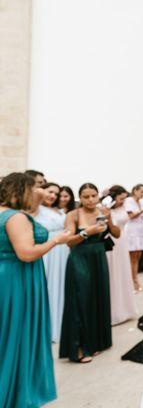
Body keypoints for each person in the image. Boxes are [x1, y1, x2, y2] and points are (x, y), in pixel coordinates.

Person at [0, 173, 74, 407]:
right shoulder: (16, 217)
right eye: (35, 188)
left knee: (7, 334)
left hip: (9, 275)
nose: (39, 192)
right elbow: (26, 253)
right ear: (23, 189)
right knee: (16, 333)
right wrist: (56, 241)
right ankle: (13, 394)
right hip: (18, 279)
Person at [60, 183, 120, 363]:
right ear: (80, 197)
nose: (91, 200)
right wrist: (88, 232)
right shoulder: (73, 215)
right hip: (79, 258)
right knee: (80, 300)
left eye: (94, 195)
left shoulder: (103, 211)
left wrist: (108, 220)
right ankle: (79, 347)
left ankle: (97, 342)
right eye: (86, 196)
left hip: (99, 258)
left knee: (98, 297)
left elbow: (117, 234)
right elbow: (69, 242)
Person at [35, 182, 70, 343]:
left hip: (63, 251)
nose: (53, 196)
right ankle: (47, 328)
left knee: (62, 286)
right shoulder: (36, 208)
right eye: (50, 192)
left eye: (56, 194)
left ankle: (61, 325)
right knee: (49, 287)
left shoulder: (58, 210)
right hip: (48, 251)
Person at [104, 185, 137, 325]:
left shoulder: (125, 207)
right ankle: (111, 311)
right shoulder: (106, 206)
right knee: (111, 273)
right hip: (109, 241)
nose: (123, 200)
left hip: (121, 241)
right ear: (114, 196)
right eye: (120, 198)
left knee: (122, 273)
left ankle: (125, 309)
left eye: (124, 198)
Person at [124, 184, 143, 291]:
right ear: (135, 190)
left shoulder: (141, 202)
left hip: (140, 231)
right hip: (132, 231)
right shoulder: (129, 201)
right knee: (132, 258)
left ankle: (135, 279)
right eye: (141, 191)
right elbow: (132, 216)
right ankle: (133, 281)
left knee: (138, 256)